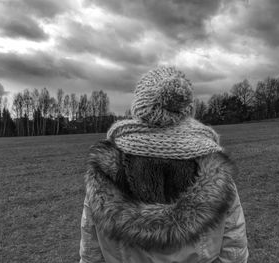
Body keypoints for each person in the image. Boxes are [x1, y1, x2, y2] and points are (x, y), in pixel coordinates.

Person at [79, 66, 248, 263]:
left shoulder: (105, 171)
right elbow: (234, 245)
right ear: (186, 107)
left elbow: (91, 250)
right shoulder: (214, 169)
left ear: (140, 106)